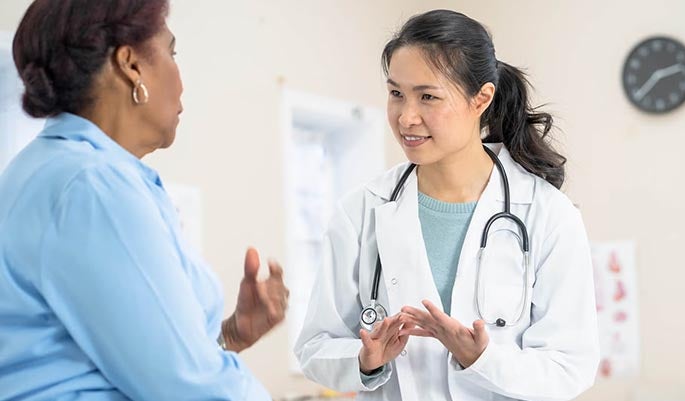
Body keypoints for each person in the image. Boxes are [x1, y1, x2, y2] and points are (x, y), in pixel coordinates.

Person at [294, 9, 600, 401]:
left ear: (481, 99)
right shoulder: (362, 211)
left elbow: (569, 367)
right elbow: (315, 345)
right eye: (396, 94)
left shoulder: (547, 214)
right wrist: (365, 359)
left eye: (428, 97)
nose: (407, 117)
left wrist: (483, 358)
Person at [0, 1, 288, 399]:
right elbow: (188, 388)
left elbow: (134, 365)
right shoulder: (93, 185)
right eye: (172, 52)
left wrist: (230, 335)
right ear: (130, 64)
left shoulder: (49, 170)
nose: (182, 80)